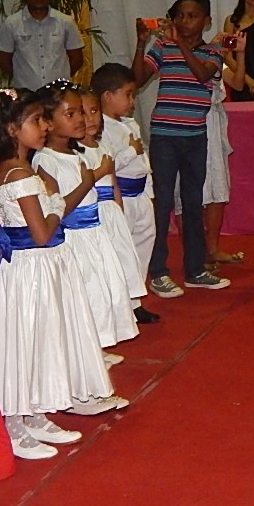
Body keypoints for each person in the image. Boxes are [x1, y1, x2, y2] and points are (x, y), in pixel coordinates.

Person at [0, 87, 124, 462]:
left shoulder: (20, 170)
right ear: (12, 129)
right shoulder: (21, 175)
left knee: (43, 337)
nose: (44, 126)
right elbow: (42, 233)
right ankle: (15, 422)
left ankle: (36, 412)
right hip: (32, 269)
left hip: (41, 268)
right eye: (35, 120)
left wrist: (56, 197)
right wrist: (57, 202)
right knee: (28, 338)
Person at [132, 0, 230, 297]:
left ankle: (195, 269)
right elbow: (136, 80)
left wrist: (181, 45)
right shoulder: (162, 46)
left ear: (207, 20)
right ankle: (158, 271)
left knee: (192, 204)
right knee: (162, 204)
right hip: (164, 137)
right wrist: (141, 43)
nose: (185, 21)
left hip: (194, 138)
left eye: (193, 16)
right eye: (180, 16)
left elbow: (202, 75)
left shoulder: (214, 52)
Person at [32, 81, 136, 362]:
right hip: (73, 237)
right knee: (83, 295)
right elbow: (56, 208)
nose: (80, 119)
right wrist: (88, 180)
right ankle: (85, 354)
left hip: (93, 233)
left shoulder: (75, 153)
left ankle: (95, 346)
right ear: (49, 123)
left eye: (81, 112)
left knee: (100, 292)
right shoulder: (45, 160)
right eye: (70, 114)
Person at [77, 89, 153, 326]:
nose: (90, 119)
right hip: (93, 215)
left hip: (117, 207)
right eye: (81, 113)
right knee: (103, 266)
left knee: (132, 251)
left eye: (93, 111)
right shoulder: (73, 152)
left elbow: (114, 182)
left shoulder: (103, 144)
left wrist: (119, 209)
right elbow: (85, 182)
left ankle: (132, 302)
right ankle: (107, 312)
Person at [93, 62, 159, 322]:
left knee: (143, 245)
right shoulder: (99, 129)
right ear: (108, 96)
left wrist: (149, 194)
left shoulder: (129, 124)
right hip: (121, 196)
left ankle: (135, 299)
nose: (132, 100)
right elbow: (107, 166)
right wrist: (132, 150)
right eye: (128, 94)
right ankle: (120, 302)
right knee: (123, 249)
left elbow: (144, 165)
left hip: (140, 194)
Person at [0, 0, 84, 92]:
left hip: (59, 95)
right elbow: (3, 61)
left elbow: (77, 59)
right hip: (26, 95)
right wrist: (24, 77)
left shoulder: (65, 22)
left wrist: (60, 78)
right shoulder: (12, 23)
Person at [205, 0, 246, 266]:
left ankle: (212, 248)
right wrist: (212, 49)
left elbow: (238, 82)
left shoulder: (218, 57)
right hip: (192, 125)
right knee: (193, 193)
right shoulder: (196, 52)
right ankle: (195, 249)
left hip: (214, 125)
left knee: (218, 189)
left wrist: (239, 53)